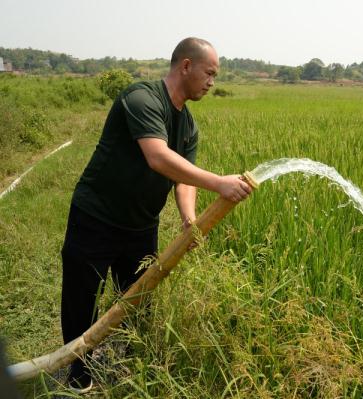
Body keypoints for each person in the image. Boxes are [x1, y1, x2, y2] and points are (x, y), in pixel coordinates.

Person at [60, 37, 252, 392]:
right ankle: (77, 373)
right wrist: (219, 184)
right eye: (209, 73)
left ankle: (132, 365)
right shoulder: (142, 98)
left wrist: (189, 219)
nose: (213, 82)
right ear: (186, 66)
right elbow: (158, 157)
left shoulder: (189, 125)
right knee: (81, 297)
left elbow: (182, 179)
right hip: (96, 216)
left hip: (140, 225)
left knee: (138, 299)